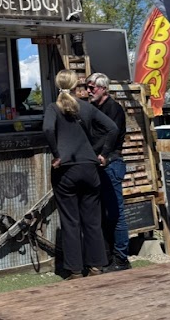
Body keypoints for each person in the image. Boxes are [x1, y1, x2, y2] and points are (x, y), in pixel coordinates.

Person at [43, 69, 118, 279]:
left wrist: (56, 154)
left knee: (70, 221)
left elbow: (48, 130)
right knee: (92, 220)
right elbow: (112, 128)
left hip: (65, 169)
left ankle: (75, 270)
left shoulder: (52, 108)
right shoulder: (87, 107)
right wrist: (104, 154)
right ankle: (96, 267)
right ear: (78, 86)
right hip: (90, 167)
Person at [86, 72, 130, 272]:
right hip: (99, 164)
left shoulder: (114, 109)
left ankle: (121, 258)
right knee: (104, 213)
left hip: (111, 162)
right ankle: (109, 254)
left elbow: (110, 136)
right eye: (87, 87)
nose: (88, 91)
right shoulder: (94, 108)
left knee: (116, 212)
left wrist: (102, 154)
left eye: (92, 87)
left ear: (103, 88)